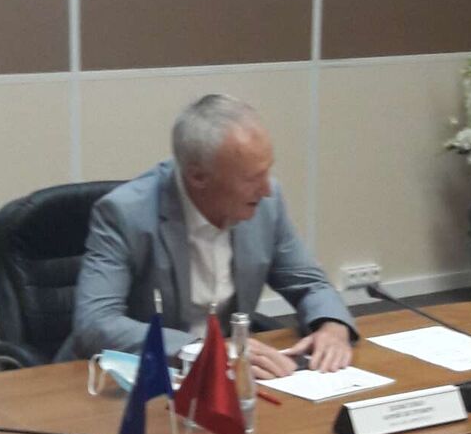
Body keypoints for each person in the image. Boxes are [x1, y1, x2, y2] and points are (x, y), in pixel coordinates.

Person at [61, 94, 358, 378]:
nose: (267, 189)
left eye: (267, 172)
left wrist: (331, 325)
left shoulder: (266, 204)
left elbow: (309, 283)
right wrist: (199, 352)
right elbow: (95, 324)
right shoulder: (126, 214)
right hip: (140, 382)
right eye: (252, 178)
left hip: (232, 380)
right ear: (198, 176)